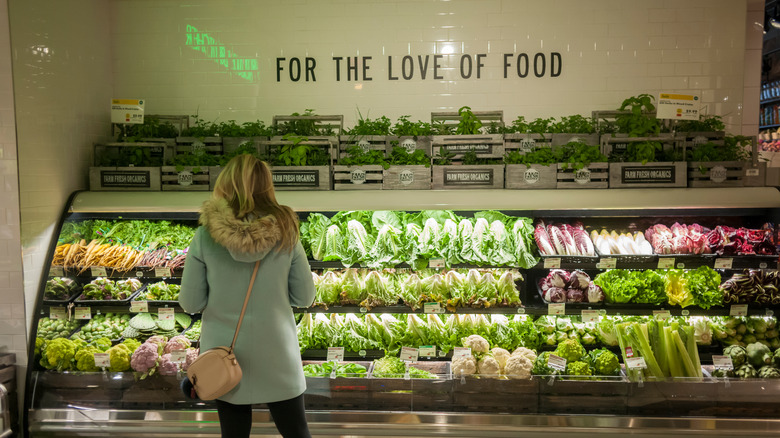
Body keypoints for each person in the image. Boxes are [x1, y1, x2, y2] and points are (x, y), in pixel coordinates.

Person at [179, 154, 315, 438]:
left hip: (225, 356)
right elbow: (304, 297)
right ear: (267, 187)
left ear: (225, 184)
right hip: (278, 352)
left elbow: (191, 303)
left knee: (234, 434)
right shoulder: (287, 232)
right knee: (296, 432)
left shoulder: (205, 236)